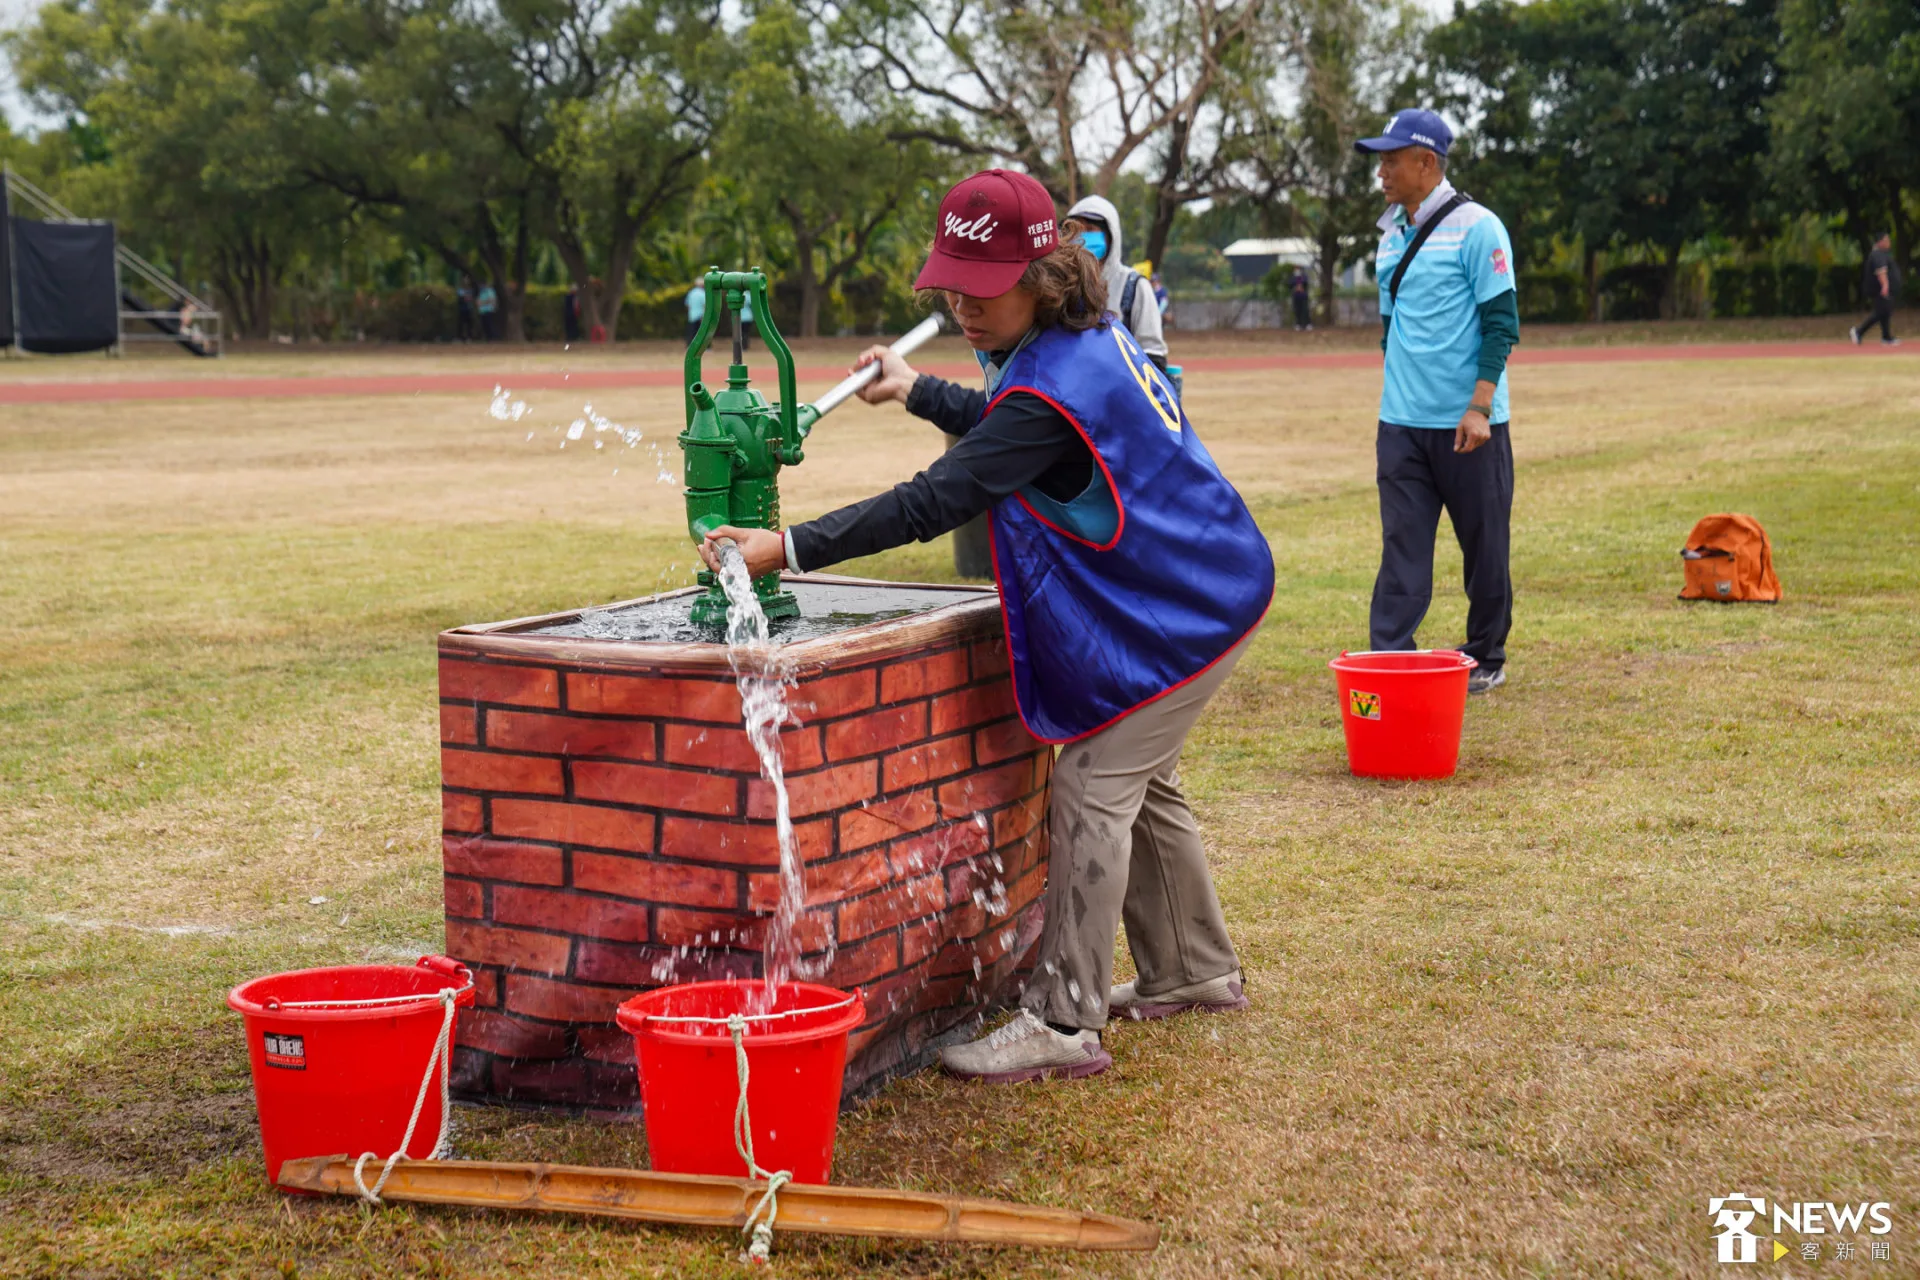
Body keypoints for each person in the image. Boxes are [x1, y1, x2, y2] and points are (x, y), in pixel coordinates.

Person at [695, 169, 1274, 1084]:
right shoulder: (1082, 337)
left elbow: (944, 495)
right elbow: (1004, 426)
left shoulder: (1052, 383)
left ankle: (1064, 1019)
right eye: (949, 288)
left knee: (1091, 781)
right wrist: (916, 388)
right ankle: (1193, 969)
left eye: (981, 287)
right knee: (1141, 780)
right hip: (1207, 584)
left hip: (1191, 610)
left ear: (1039, 276)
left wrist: (788, 544)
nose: (961, 305)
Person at [1355, 108, 1519, 696]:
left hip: (1468, 425)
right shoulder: (1388, 235)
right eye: (1380, 160)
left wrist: (1478, 406)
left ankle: (1486, 653)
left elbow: (1501, 324)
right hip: (1400, 425)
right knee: (1401, 544)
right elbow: (1389, 327)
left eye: (1392, 159)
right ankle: (1389, 658)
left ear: (1428, 163)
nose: (1382, 171)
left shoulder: (1479, 228)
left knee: (1484, 545)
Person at [1062, 196, 1169, 371]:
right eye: (1075, 231)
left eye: (1089, 230)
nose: (1081, 239)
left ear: (1111, 237)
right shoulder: (1059, 286)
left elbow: (1153, 354)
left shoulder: (1134, 287)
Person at [1850, 232, 1901, 347]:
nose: (1889, 243)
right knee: (1880, 312)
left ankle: (1886, 337)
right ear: (1880, 242)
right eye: (1887, 240)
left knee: (1885, 312)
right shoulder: (1877, 254)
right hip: (1880, 290)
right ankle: (1858, 331)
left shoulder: (1882, 254)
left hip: (1883, 290)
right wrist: (1885, 286)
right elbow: (1881, 271)